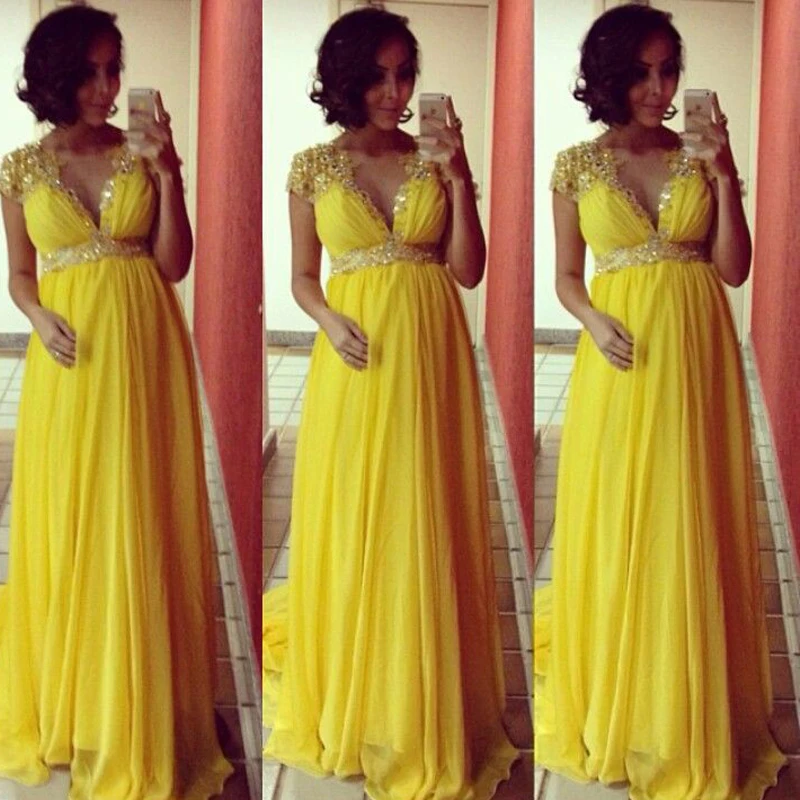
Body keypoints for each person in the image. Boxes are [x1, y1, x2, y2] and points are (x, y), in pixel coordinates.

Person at [262, 7, 519, 799]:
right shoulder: (312, 167)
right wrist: (327, 319)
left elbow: (469, 269)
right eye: (377, 76)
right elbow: (303, 276)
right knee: (357, 512)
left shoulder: (433, 160)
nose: (394, 92)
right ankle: (362, 685)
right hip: (356, 356)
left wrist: (461, 175)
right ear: (346, 80)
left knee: (423, 507)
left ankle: (423, 689)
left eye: (405, 74)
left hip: (431, 351)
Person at [534, 5, 787, 798]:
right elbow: (566, 276)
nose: (658, 88)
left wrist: (725, 174)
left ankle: (689, 702)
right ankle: (627, 697)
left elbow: (734, 268)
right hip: (619, 357)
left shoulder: (699, 156)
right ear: (609, 77)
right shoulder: (575, 166)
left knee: (690, 512)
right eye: (641, 72)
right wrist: (592, 319)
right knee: (623, 518)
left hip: (696, 355)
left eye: (668, 71)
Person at [0, 6, 232, 797]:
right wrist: (36, 317)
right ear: (56, 77)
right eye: (89, 72)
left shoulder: (141, 154)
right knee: (75, 514)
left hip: (144, 347)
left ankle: (143, 697)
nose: (106, 87)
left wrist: (168, 175)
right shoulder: (19, 169)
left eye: (113, 69)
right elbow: (20, 273)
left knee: (140, 507)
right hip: (69, 358)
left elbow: (173, 264)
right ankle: (78, 700)